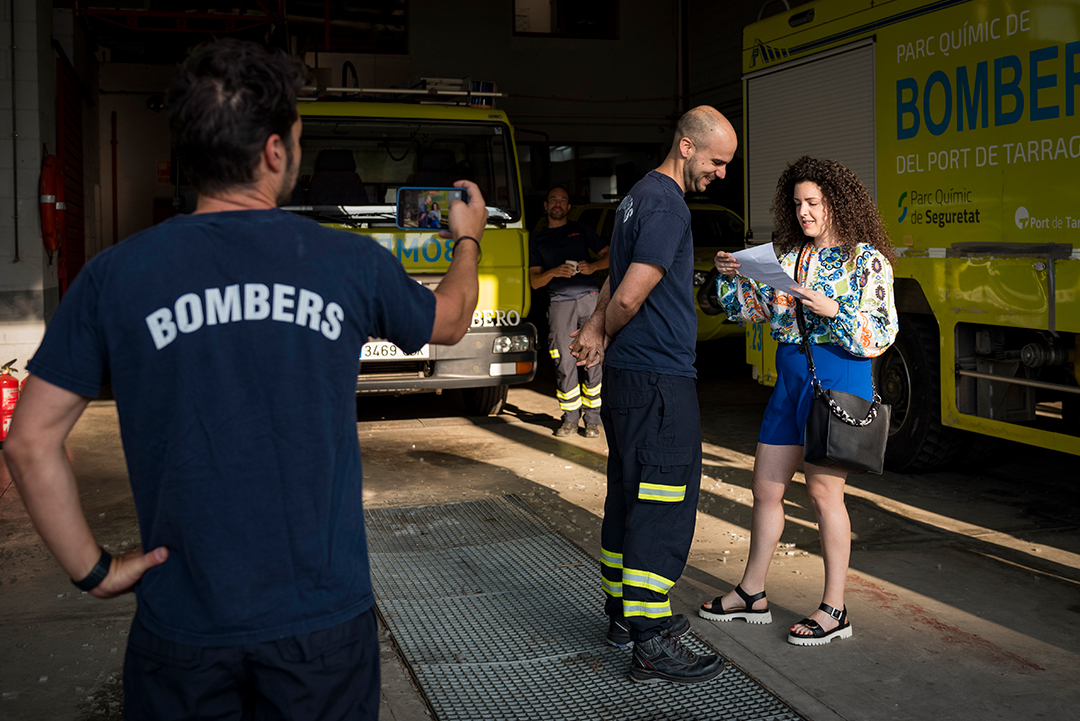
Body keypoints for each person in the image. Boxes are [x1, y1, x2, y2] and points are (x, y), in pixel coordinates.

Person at [3, 39, 487, 720]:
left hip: (183, 633)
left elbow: (28, 442)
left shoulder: (117, 274)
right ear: (273, 152)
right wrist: (468, 236)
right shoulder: (347, 263)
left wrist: (96, 569)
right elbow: (452, 319)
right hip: (321, 626)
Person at [698, 155, 897, 646]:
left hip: (838, 377)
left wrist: (836, 309)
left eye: (814, 203)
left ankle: (835, 608)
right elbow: (752, 310)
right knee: (765, 487)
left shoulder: (865, 260)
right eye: (798, 204)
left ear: (836, 203)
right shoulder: (789, 259)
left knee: (825, 494)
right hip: (790, 380)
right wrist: (729, 274)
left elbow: (882, 333)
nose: (804, 212)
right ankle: (752, 593)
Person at [570, 106, 737, 684]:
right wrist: (606, 324)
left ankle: (622, 614)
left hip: (628, 380)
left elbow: (616, 277)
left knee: (627, 493)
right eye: (717, 162)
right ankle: (650, 637)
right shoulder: (666, 204)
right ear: (687, 147)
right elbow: (631, 294)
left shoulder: (637, 196)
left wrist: (595, 329)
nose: (720, 175)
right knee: (663, 503)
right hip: (659, 382)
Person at [529, 185, 609, 437]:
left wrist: (593, 266)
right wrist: (553, 272)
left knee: (593, 358)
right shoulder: (538, 238)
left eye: (563, 200)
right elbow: (534, 282)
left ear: (568, 207)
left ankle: (593, 420)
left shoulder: (581, 230)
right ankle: (570, 419)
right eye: (553, 199)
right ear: (546, 205)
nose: (558, 204)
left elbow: (611, 256)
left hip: (589, 299)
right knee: (564, 361)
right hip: (559, 304)